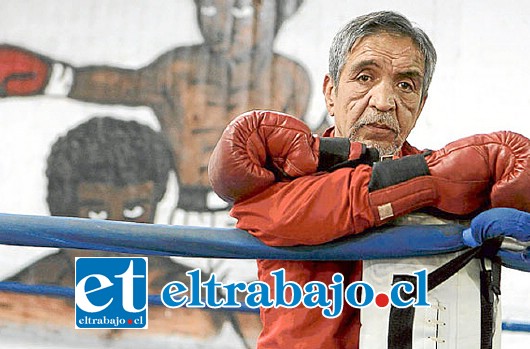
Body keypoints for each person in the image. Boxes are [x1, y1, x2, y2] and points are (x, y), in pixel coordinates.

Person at [208, 11, 530, 349]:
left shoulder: (460, 178)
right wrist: (428, 181)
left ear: (419, 107)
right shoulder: (281, 172)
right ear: (331, 93)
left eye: (406, 85)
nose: (384, 101)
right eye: (364, 77)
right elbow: (277, 213)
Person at [0, 0, 310, 215]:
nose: (220, 23)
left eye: (240, 8)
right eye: (208, 7)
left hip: (262, 215)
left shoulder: (291, 78)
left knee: (249, 308)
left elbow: (298, 156)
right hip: (189, 215)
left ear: (279, 11)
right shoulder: (177, 69)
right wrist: (53, 77)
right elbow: (122, 85)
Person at [5, 117, 260, 346]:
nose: (115, 235)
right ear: (61, 212)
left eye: (135, 210)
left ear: (156, 202)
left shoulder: (196, 296)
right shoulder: (19, 295)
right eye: (96, 214)